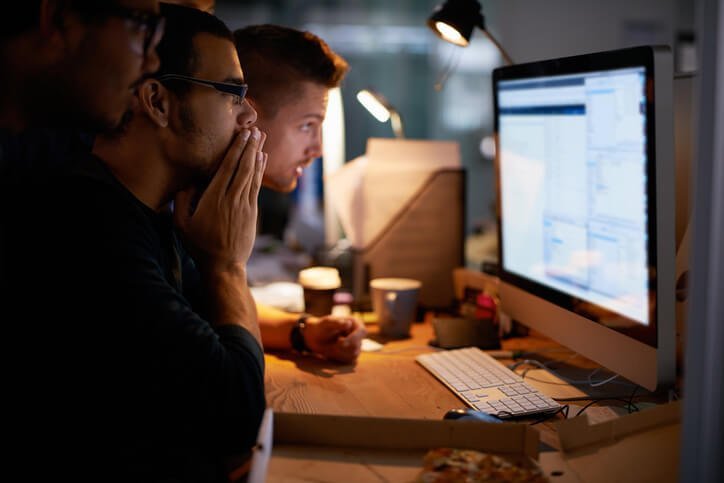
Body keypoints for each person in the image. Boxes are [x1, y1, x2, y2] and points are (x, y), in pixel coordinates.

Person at [23, 4, 266, 481]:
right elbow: (238, 414)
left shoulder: (154, 213)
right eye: (233, 93)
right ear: (156, 101)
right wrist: (228, 268)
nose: (250, 116)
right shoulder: (88, 225)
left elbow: (210, 332)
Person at [234, 24, 367, 364]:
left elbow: (214, 310)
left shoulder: (219, 198)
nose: (317, 149)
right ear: (245, 116)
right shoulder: (176, 211)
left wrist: (302, 331)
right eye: (307, 125)